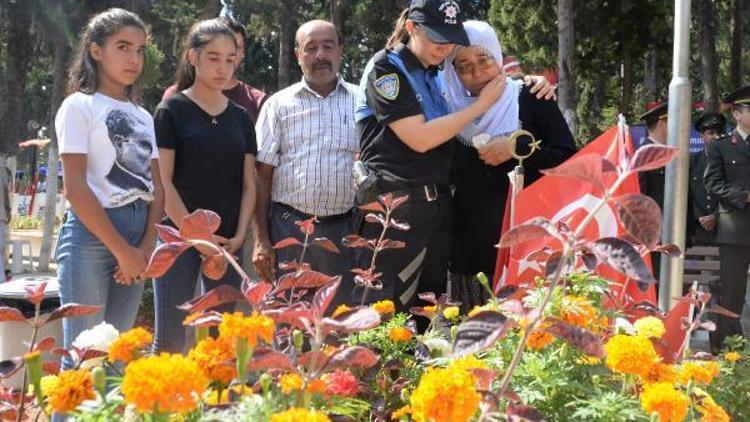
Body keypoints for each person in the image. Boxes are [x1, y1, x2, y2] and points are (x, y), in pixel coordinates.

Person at [351, 0, 507, 312]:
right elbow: (419, 138)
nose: (445, 46)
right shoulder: (386, 69)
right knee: (380, 313)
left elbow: (487, 85)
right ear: (411, 28)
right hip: (394, 210)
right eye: (436, 36)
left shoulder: (436, 74)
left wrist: (533, 84)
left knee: (427, 309)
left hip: (436, 207)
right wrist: (481, 105)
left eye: (450, 38)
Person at [54, 9, 164, 368]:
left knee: (116, 360)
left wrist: (145, 247)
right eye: (123, 47)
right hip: (91, 237)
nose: (134, 59)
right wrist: (122, 251)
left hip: (137, 236)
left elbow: (156, 187)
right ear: (96, 50)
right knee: (84, 360)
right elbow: (75, 189)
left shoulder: (144, 116)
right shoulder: (79, 107)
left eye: (140, 50)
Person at [442, 21, 577, 311]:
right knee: (476, 341)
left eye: (484, 60)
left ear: (498, 56)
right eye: (463, 66)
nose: (476, 73)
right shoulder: (448, 111)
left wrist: (517, 149)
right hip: (471, 253)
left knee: (528, 340)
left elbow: (567, 158)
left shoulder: (530, 97)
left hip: (529, 246)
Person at [153, 19, 257, 353]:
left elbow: (248, 185)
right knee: (169, 337)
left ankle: (216, 404)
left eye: (230, 58)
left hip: (227, 243)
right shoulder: (171, 110)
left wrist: (239, 236)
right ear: (192, 57)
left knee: (221, 342)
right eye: (213, 57)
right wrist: (198, 238)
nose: (222, 67)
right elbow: (163, 183)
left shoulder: (242, 117)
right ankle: (161, 405)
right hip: (179, 242)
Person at [252, 20, 357, 304]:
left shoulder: (362, 102)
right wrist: (261, 240)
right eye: (311, 48)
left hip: (346, 234)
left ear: (340, 52)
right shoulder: (278, 105)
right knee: (287, 327)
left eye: (328, 46)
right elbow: (261, 176)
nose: (321, 54)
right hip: (288, 233)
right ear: (298, 55)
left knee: (340, 329)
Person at [704, 85, 750, 350]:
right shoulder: (722, 146)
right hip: (735, 229)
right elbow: (712, 183)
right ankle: (729, 348)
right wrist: (744, 196)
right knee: (732, 292)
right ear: (737, 114)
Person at [162, 16, 266, 123]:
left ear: (243, 53)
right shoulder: (174, 97)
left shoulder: (256, 101)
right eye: (215, 56)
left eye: (237, 47)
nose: (228, 52)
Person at [638, 101, 668, 278]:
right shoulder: (645, 155)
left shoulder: (667, 153)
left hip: (672, 235)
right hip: (654, 237)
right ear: (663, 122)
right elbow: (640, 197)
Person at [688, 112, 724, 247]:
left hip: (724, 228)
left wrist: (715, 216)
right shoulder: (692, 161)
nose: (715, 137)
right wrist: (699, 217)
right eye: (710, 133)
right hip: (697, 229)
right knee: (692, 267)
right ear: (702, 136)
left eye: (718, 133)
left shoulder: (730, 161)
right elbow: (687, 193)